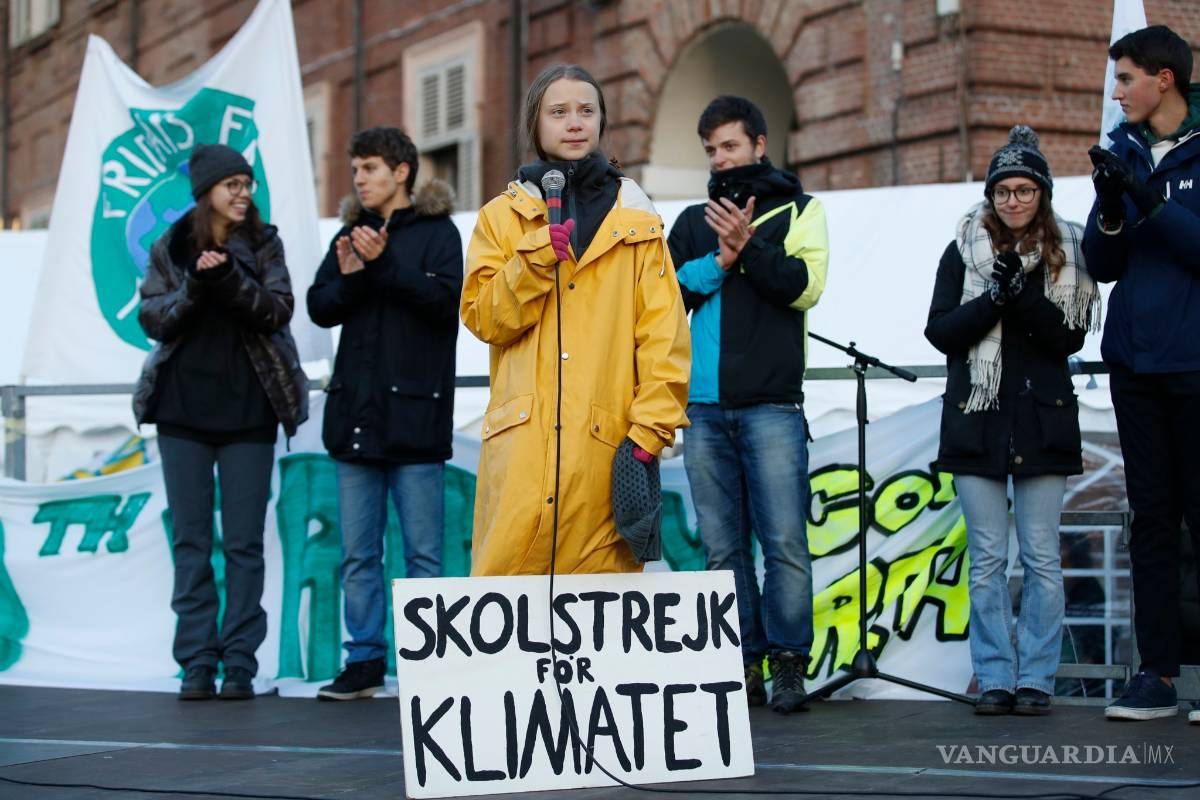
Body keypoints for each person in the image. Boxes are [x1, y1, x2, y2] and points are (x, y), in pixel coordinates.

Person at [461, 64, 690, 576]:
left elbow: (664, 338)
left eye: (587, 111)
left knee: (600, 630)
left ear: (602, 122)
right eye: (558, 112)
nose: (574, 123)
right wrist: (533, 261)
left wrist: (648, 435)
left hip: (606, 455)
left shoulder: (638, 220)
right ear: (535, 124)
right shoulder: (500, 217)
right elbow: (482, 317)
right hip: (521, 457)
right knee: (509, 624)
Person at [925, 125, 1099, 717]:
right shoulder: (962, 249)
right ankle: (995, 675)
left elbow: (1068, 335)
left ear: (1042, 194)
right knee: (989, 559)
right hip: (977, 421)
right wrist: (991, 300)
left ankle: (1038, 679)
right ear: (991, 196)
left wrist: (1018, 295)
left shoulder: (1068, 251)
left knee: (1043, 558)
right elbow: (941, 331)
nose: (1014, 201)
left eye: (1025, 190)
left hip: (1041, 423)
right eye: (1004, 191)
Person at [667, 95, 828, 714]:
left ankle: (789, 663)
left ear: (760, 143)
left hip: (772, 408)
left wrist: (751, 249)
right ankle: (741, 662)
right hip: (703, 410)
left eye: (730, 145)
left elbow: (804, 287)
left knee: (785, 541)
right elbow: (667, 298)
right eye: (711, 149)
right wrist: (719, 260)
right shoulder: (689, 221)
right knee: (723, 549)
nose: (720, 158)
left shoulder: (801, 211)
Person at [134, 143, 309, 701]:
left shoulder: (264, 241)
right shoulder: (172, 245)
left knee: (242, 545)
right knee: (190, 540)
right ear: (206, 190)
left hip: (249, 413)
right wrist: (196, 284)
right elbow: (152, 318)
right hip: (181, 413)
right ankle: (196, 662)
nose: (243, 193)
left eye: (247, 184)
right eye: (232, 184)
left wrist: (230, 277)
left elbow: (279, 310)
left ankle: (238, 663)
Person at [307, 127, 462, 700]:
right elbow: (320, 307)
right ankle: (364, 662)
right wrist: (353, 274)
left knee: (423, 552)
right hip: (355, 419)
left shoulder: (439, 233)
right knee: (358, 553)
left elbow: (448, 307)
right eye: (355, 171)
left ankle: (430, 664)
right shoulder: (351, 233)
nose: (360, 179)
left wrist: (385, 267)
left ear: (401, 171)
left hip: (416, 420)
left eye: (370, 168)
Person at [1082, 24, 1200, 724]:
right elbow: (1102, 263)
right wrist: (1111, 202)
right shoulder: (1124, 148)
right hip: (1135, 363)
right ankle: (1155, 676)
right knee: (1151, 520)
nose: (1116, 91)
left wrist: (1150, 201)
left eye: (1125, 78)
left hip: (1194, 361)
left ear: (1165, 79)